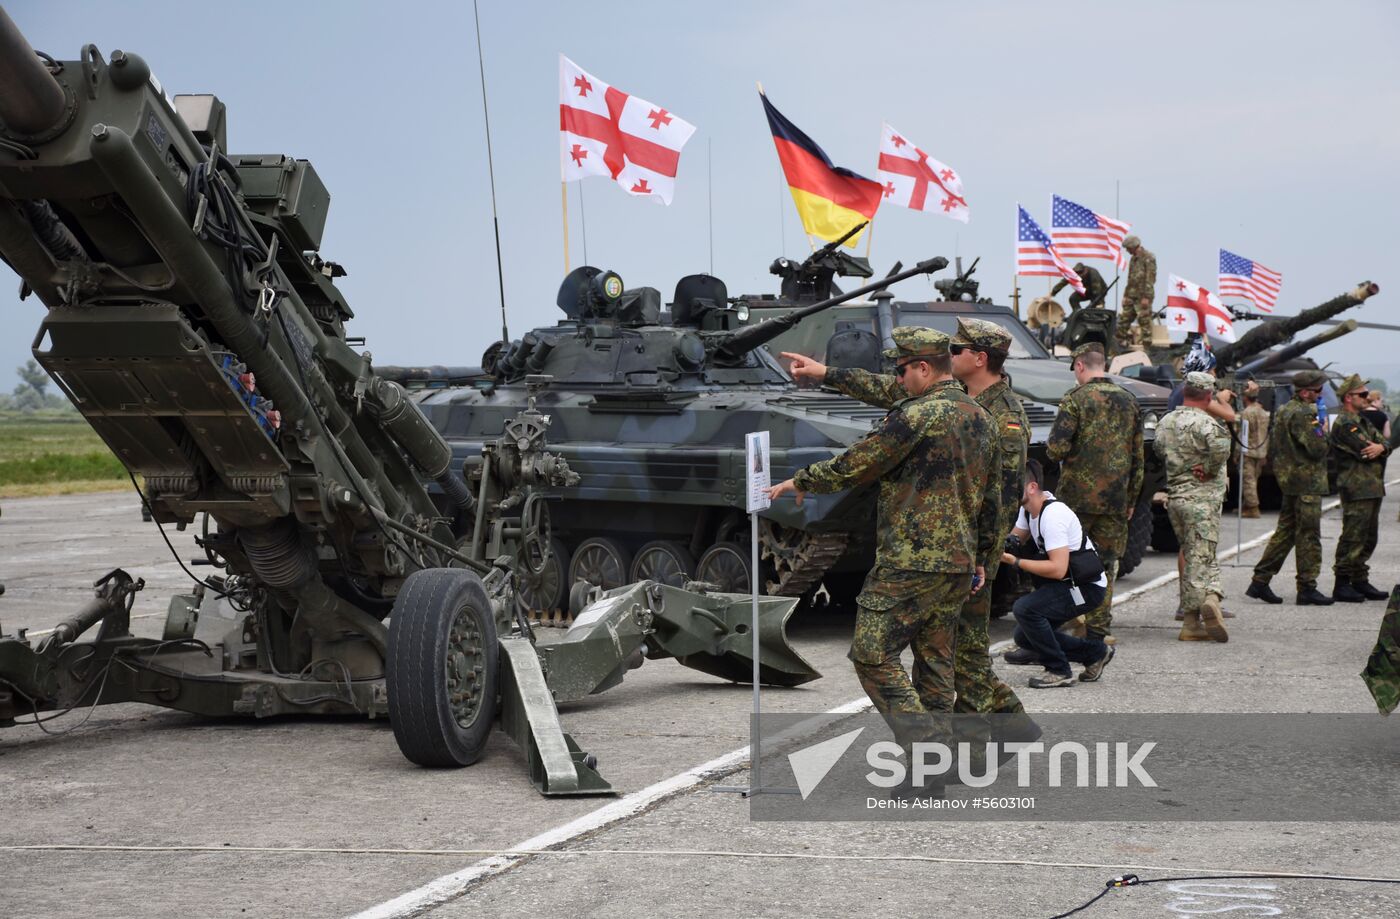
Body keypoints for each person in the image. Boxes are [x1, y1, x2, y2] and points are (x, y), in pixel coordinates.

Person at [769, 328, 999, 753]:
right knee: (934, 664)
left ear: (924, 368)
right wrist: (982, 555)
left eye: (901, 370)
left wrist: (802, 479)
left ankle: (927, 745)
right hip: (957, 564)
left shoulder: (915, 416)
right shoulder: (980, 416)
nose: (897, 379)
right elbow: (992, 497)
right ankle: (936, 765)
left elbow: (861, 462)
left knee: (872, 655)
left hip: (910, 561)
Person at [948, 318, 1028, 716]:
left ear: (979, 359)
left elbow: (1004, 494)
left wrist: (980, 555)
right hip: (955, 544)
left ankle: (990, 729)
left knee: (968, 647)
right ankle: (1005, 722)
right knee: (956, 647)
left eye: (956, 350)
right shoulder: (961, 398)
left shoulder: (1005, 416)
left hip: (975, 551)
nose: (950, 356)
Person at [1045, 342, 1143, 644]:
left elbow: (1055, 449)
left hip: (1076, 500)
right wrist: (1131, 500)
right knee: (1105, 564)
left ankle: (1072, 619)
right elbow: (1138, 458)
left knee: (1069, 561)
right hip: (1115, 499)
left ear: (1079, 366)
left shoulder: (1074, 400)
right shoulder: (1130, 401)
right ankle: (1099, 629)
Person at [1003, 460, 1113, 688]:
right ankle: (1095, 653)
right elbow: (1014, 540)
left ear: (1031, 487)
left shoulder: (1053, 515)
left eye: (1012, 487)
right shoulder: (1028, 510)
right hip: (1066, 584)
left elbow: (1058, 568)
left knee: (1025, 609)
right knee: (1024, 637)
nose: (1007, 492)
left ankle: (1058, 669)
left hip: (1084, 588)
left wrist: (1017, 561)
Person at [1246, 370, 1334, 606]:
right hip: (1307, 483)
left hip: (1291, 481)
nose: (1320, 394)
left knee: (1284, 534)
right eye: (1317, 390)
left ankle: (1260, 581)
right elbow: (1317, 449)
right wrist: (1323, 432)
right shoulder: (1306, 414)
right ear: (1305, 392)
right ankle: (1307, 587)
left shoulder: (1285, 410)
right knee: (1309, 536)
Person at [1155, 372, 1232, 641]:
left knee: (1197, 553)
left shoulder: (1165, 422)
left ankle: (1212, 597)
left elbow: (1157, 450)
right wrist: (1209, 469)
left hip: (1175, 499)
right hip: (1202, 501)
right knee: (1199, 559)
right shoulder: (1208, 425)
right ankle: (1191, 622)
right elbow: (1222, 449)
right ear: (1209, 396)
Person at [1329, 374, 1391, 602]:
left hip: (1372, 486)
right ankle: (1342, 583)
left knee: (1369, 537)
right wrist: (1379, 448)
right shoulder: (1346, 423)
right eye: (1362, 394)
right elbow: (1366, 449)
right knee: (1353, 537)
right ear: (1348, 397)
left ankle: (1360, 580)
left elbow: (1385, 443)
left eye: (1367, 394)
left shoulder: (1362, 420)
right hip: (1356, 487)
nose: (1366, 398)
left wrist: (1381, 448)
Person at [1118, 235, 1157, 350]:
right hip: (1131, 295)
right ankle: (1120, 343)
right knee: (1124, 320)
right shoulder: (1133, 259)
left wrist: (1146, 297)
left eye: (1128, 248)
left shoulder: (1148, 257)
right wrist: (1125, 296)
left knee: (1144, 321)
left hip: (1143, 296)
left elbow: (1150, 279)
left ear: (1133, 246)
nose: (1127, 250)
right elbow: (1130, 278)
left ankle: (1147, 347)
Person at [1239, 380, 1270, 518]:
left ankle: (1252, 508)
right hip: (1261, 450)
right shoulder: (1264, 412)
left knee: (1248, 480)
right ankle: (1247, 505)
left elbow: (1242, 434)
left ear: (1245, 397)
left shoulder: (1246, 413)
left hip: (1248, 450)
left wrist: (1236, 453)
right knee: (1253, 480)